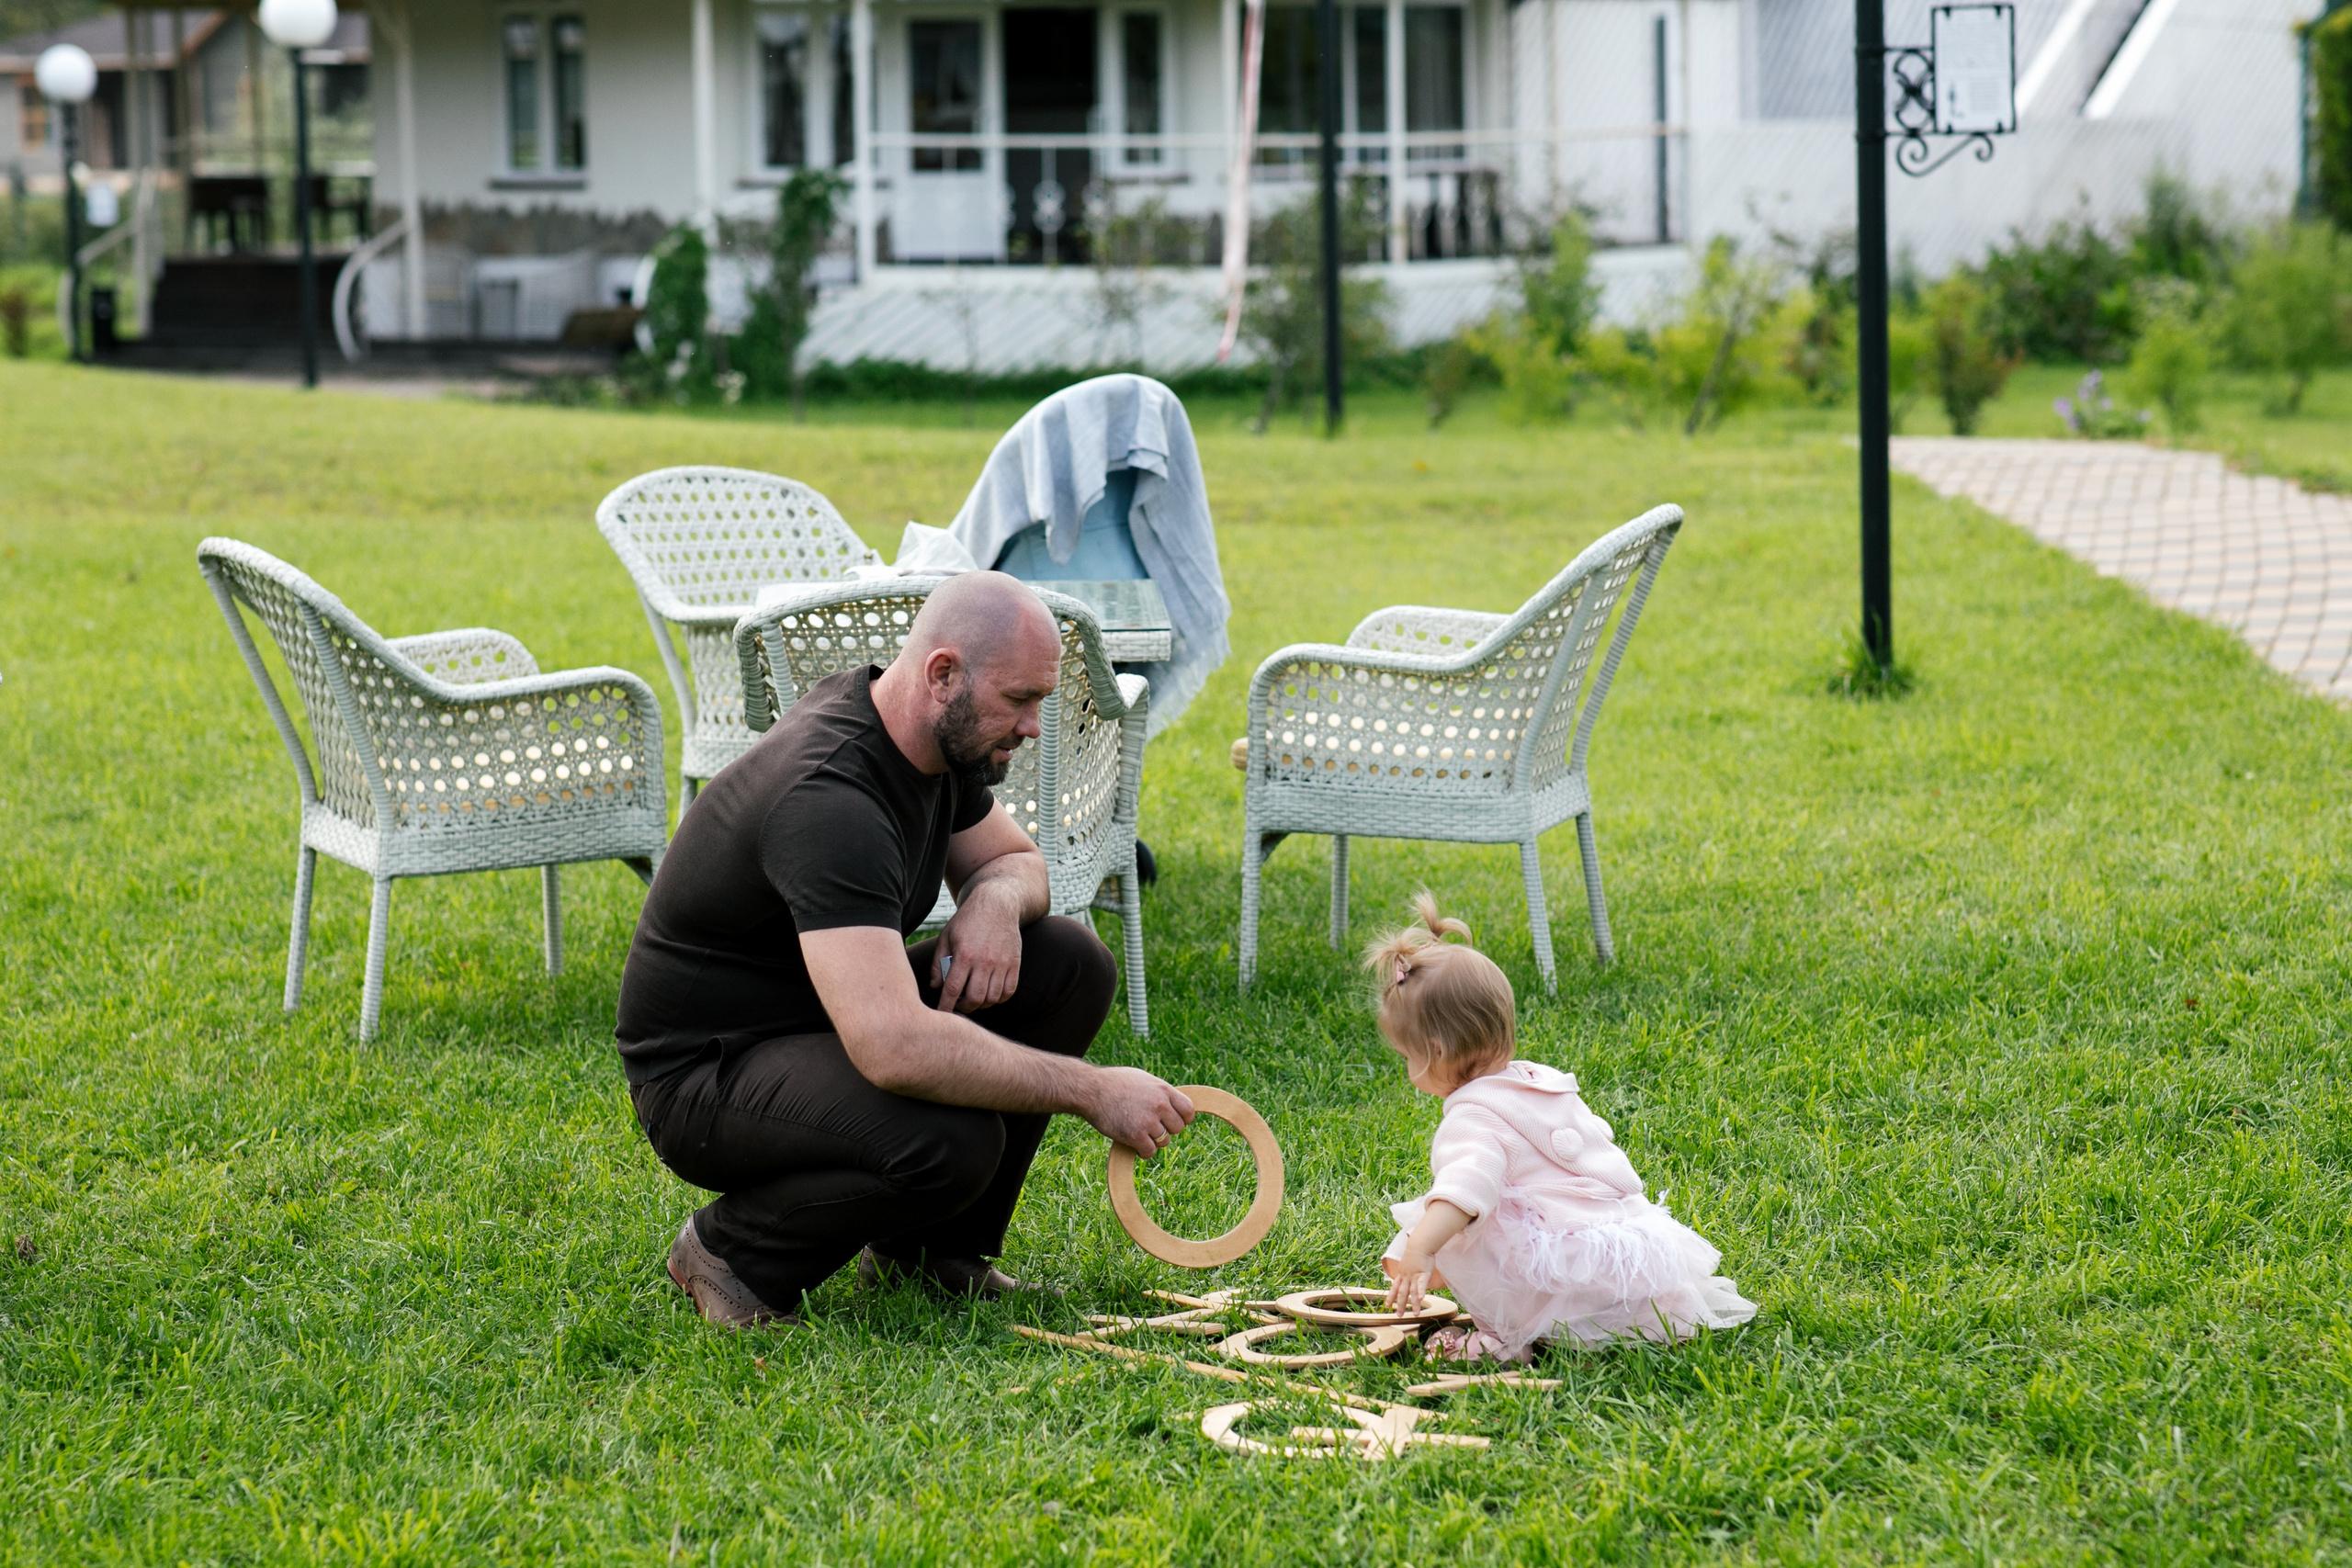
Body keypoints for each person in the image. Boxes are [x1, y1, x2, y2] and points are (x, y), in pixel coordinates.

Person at [616, 571, 1195, 1328]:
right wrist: (1091, 1090)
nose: (1032, 726)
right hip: (706, 1075)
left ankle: (930, 1256)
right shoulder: (832, 800)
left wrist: (991, 901)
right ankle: (733, 1252)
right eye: (1019, 699)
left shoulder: (928, 740)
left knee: (1067, 963)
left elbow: (1016, 862)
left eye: (1041, 701)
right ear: (942, 674)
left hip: (821, 1022)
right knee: (954, 1140)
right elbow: (892, 1046)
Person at [1372, 894, 1758, 1361]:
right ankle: (1634, 1318)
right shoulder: (1539, 1081)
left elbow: (1466, 1188)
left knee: (1450, 1224)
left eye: (1407, 1056)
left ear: (1435, 1052)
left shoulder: (1472, 1114)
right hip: (1612, 1245)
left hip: (1555, 1263)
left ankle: (1502, 1338)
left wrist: (1421, 1249)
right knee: (1488, 1210)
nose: (1407, 1067)